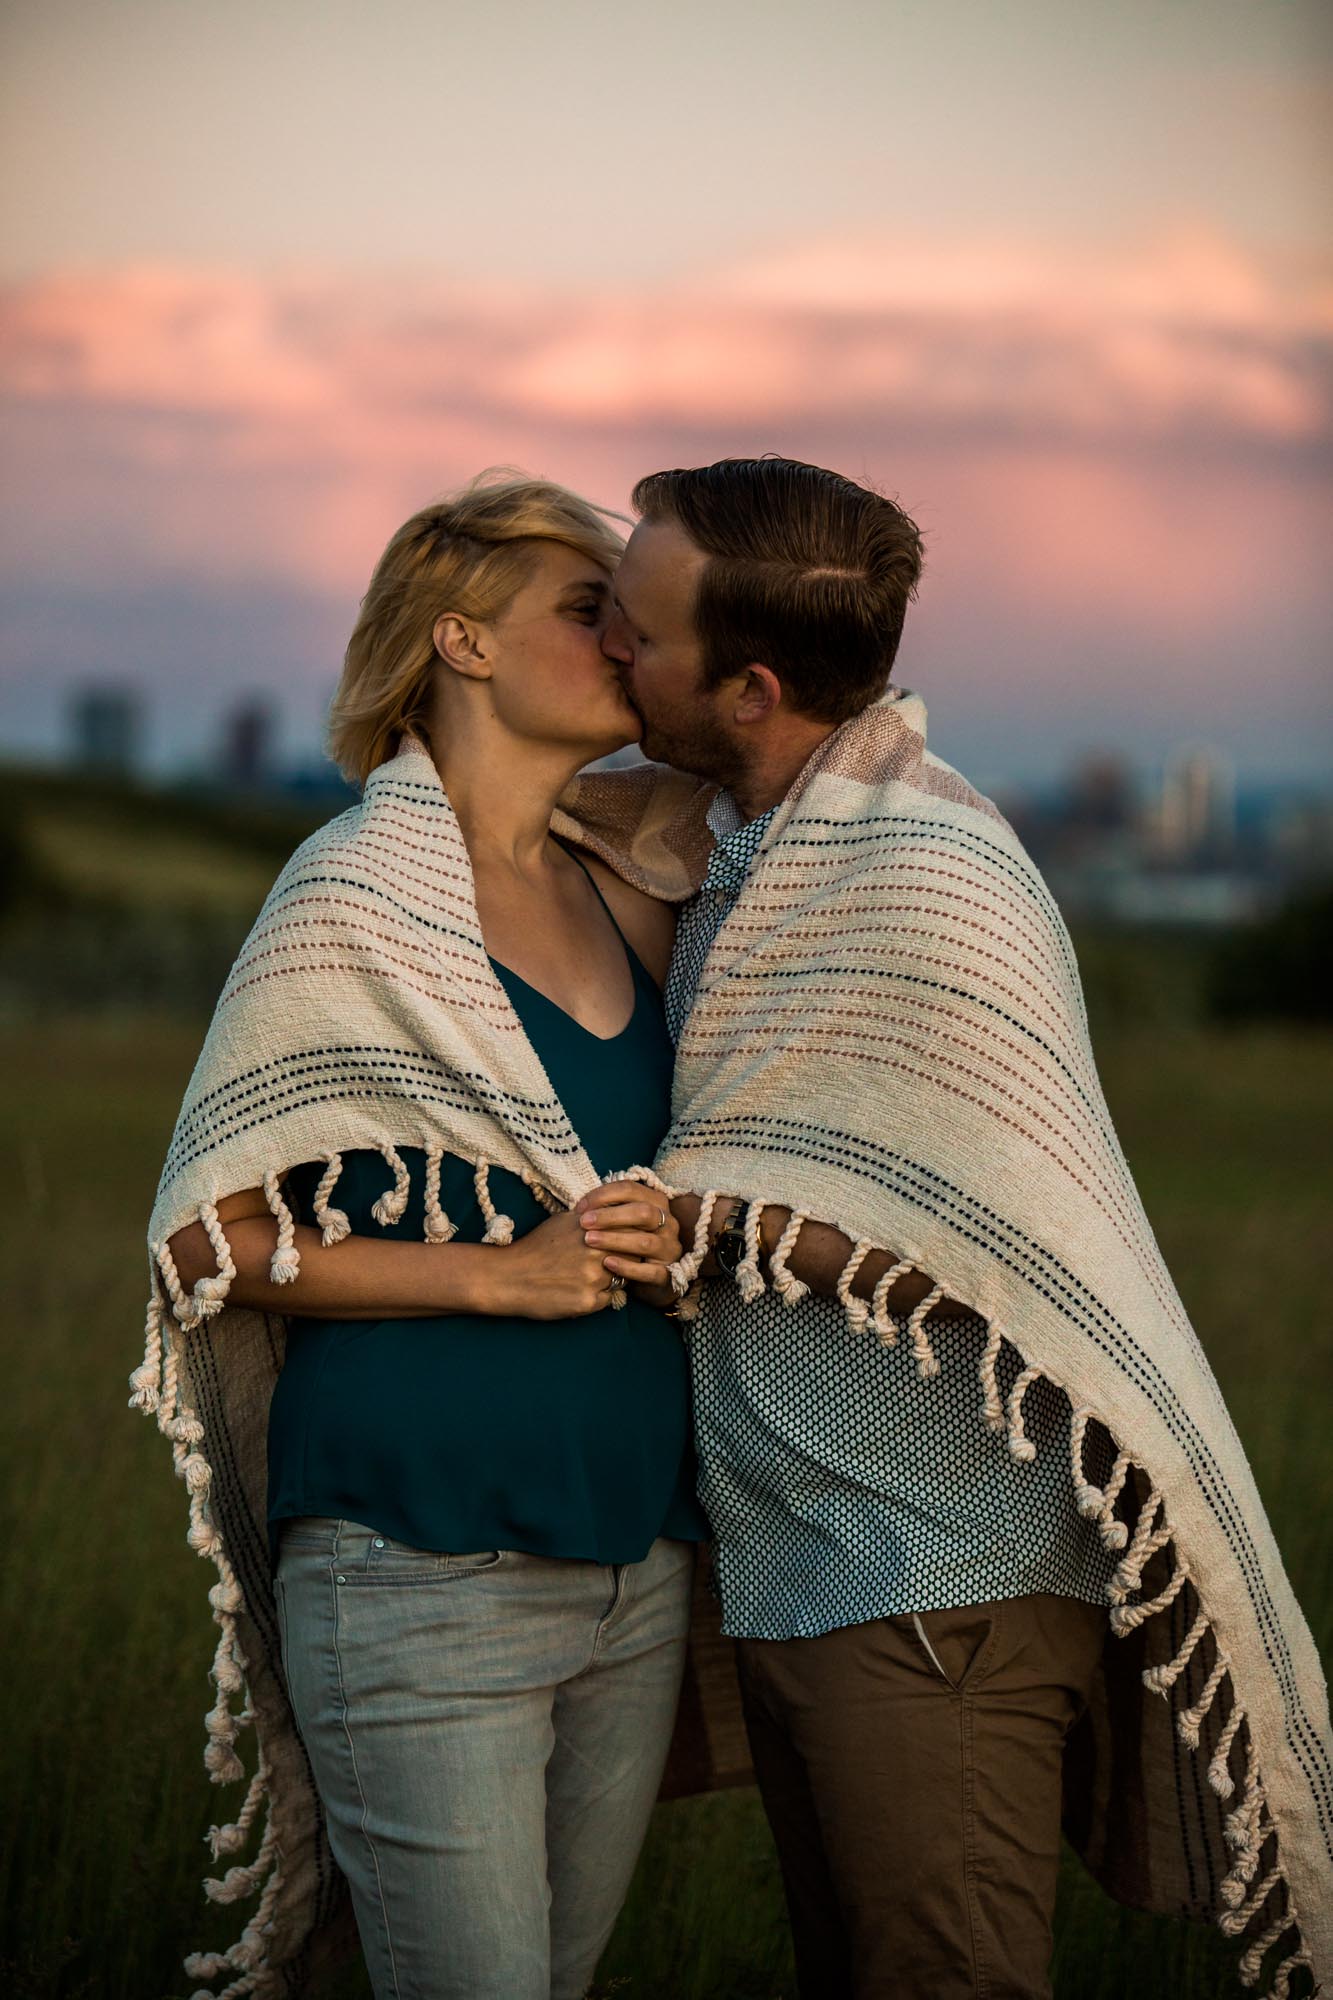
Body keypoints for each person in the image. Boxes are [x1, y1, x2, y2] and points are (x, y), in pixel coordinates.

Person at [575, 457, 1332, 1999]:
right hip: (809, 1562)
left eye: (635, 634)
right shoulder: (746, 846)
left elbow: (988, 1244)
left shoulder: (924, 871)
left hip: (936, 1587)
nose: (606, 650)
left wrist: (707, 1215)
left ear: (753, 687)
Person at [144, 472, 712, 2000]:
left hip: (634, 1558)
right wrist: (492, 1273)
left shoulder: (644, 892)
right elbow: (203, 1243)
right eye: (584, 611)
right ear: (459, 642)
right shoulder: (351, 902)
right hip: (418, 1560)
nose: (627, 638)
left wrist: (669, 1220)